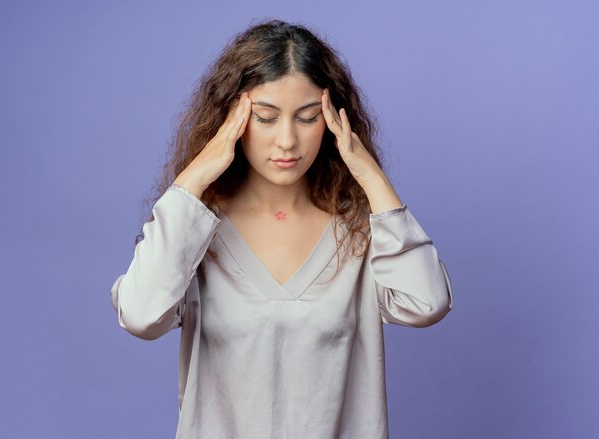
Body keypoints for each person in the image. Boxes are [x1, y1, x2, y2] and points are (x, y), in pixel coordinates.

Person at [110, 18, 453, 439]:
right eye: (266, 118)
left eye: (308, 118)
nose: (287, 140)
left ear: (332, 123)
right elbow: (142, 316)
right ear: (230, 120)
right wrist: (195, 177)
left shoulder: (359, 233)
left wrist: (372, 177)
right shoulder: (197, 231)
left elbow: (428, 303)